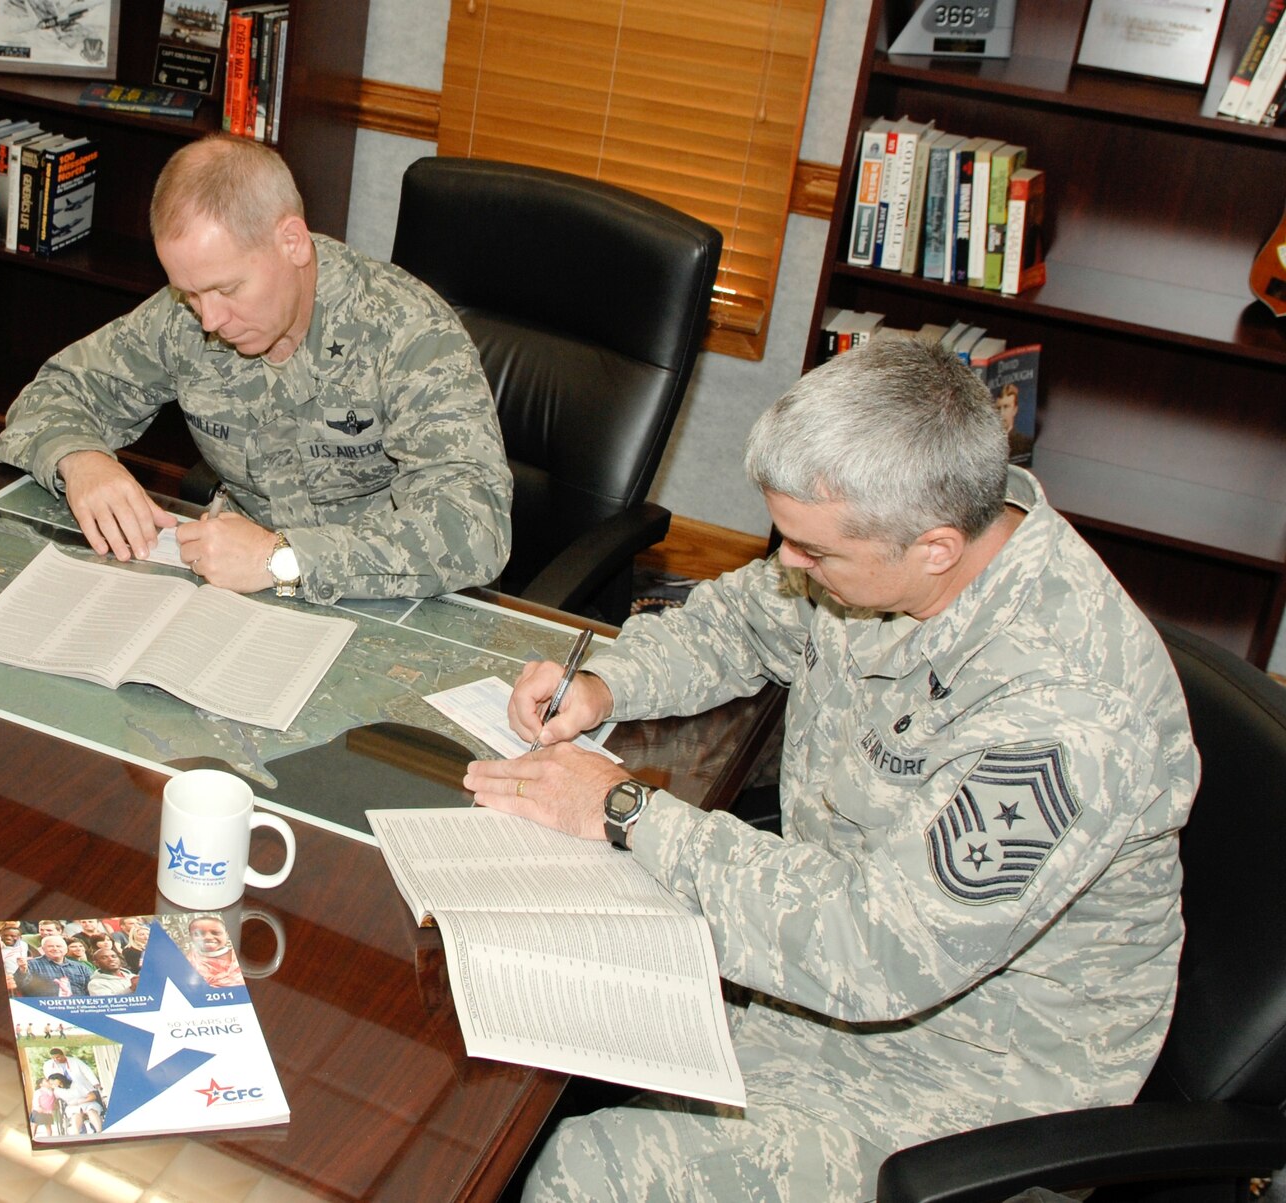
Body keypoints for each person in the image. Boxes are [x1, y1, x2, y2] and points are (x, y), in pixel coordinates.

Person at [463, 338, 1198, 1200]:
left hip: (963, 1084)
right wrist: (603, 684)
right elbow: (740, 621)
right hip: (809, 990)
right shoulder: (887, 555)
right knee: (512, 1027)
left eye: (816, 553)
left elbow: (877, 947)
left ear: (934, 546)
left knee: (579, 1172)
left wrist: (627, 811)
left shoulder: (1071, 713)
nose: (789, 566)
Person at [0, 134, 511, 605]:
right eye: (190, 293)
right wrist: (81, 461)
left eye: (227, 289)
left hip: (386, 598)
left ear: (292, 241)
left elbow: (474, 527)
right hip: (231, 591)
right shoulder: (185, 317)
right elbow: (57, 390)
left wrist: (281, 559)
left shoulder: (406, 332)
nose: (211, 319)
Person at [20, 934, 93, 996]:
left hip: (77, 1007)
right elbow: (23, 986)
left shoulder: (81, 967)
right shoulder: (31, 965)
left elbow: (91, 988)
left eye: (59, 946)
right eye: (50, 946)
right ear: (43, 949)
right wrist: (23, 971)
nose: (55, 949)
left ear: (66, 949)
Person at [184, 914, 243, 987]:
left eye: (216, 933)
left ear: (227, 934)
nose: (208, 937)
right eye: (199, 934)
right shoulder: (188, 961)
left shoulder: (239, 956)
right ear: (191, 936)